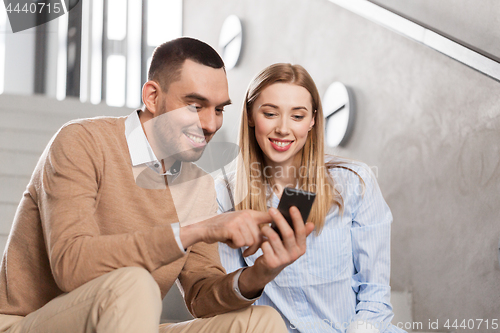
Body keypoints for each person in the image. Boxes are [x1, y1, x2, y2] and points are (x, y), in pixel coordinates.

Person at [0, 38, 312, 333]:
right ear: (152, 97)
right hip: (31, 323)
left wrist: (261, 272)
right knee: (135, 283)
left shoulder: (199, 186)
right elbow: (71, 265)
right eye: (194, 106)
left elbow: (201, 297)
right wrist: (198, 230)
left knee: (260, 322)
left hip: (127, 322)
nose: (210, 124)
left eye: (218, 109)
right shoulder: (82, 141)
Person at [217, 63, 407, 333]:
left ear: (313, 120)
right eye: (270, 113)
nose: (283, 128)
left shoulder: (354, 182)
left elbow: (375, 297)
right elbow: (232, 307)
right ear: (250, 115)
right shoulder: (224, 195)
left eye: (297, 116)